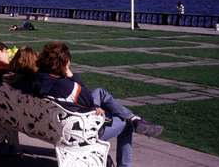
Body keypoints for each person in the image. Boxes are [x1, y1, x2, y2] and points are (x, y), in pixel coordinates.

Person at [33, 42, 163, 167]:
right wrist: (70, 74)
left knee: (100, 92)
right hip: (80, 133)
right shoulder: (68, 87)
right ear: (65, 62)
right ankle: (132, 124)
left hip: (50, 126)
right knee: (126, 124)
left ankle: (135, 118)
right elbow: (86, 98)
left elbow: (85, 98)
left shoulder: (36, 79)